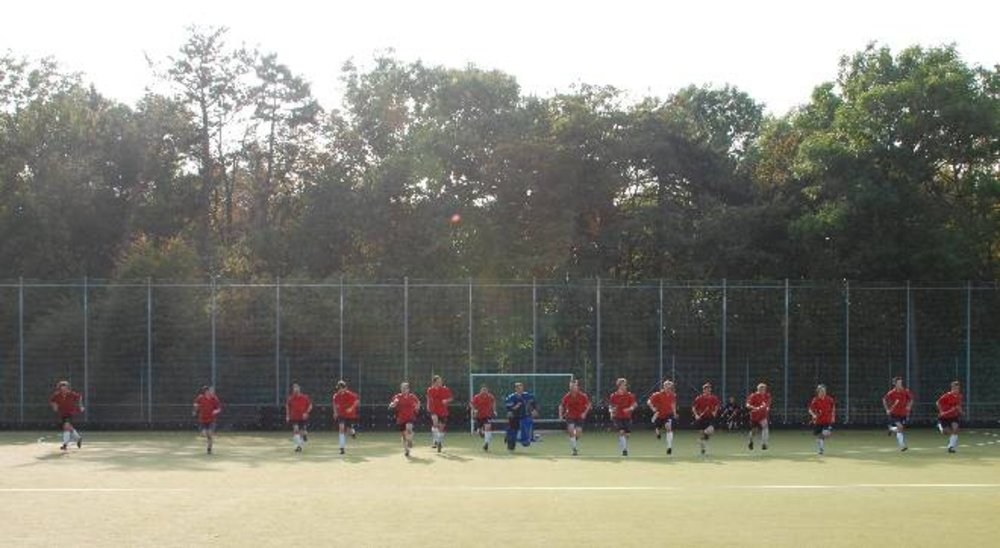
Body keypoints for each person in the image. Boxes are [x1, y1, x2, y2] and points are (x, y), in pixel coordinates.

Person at [558, 379, 591, 456]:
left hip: (579, 416)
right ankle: (574, 449)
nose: (572, 387)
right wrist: (560, 415)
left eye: (574, 386)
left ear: (577, 386)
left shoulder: (583, 396)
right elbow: (561, 406)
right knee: (571, 429)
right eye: (571, 386)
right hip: (570, 415)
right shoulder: (567, 396)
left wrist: (584, 413)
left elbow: (589, 405)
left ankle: (573, 441)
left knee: (578, 432)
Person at [48, 380, 84, 451]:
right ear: (60, 388)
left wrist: (81, 406)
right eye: (62, 388)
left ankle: (65, 445)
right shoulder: (56, 395)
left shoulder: (72, 394)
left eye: (65, 388)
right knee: (68, 428)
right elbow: (52, 401)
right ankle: (78, 438)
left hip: (71, 413)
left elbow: (80, 397)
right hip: (63, 413)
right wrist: (54, 406)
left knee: (66, 426)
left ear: (68, 388)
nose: (64, 390)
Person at [389, 382, 420, 457]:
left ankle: (410, 440)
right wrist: (392, 404)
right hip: (401, 418)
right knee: (404, 436)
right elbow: (394, 403)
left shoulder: (412, 396)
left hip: (410, 417)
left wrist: (417, 407)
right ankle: (406, 450)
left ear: (408, 389)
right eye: (402, 388)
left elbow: (418, 402)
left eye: (405, 388)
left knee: (409, 429)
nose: (403, 390)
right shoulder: (397, 397)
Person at [647, 380, 678, 455]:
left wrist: (674, 413)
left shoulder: (672, 395)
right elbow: (649, 402)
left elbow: (673, 404)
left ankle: (669, 447)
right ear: (664, 387)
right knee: (658, 428)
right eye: (666, 386)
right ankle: (658, 433)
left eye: (669, 386)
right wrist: (653, 408)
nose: (668, 388)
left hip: (668, 415)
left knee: (668, 428)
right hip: (659, 415)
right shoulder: (658, 394)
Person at [882, 376, 913, 452]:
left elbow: (911, 399)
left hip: (903, 414)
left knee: (900, 429)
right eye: (898, 383)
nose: (900, 384)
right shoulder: (891, 393)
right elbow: (884, 400)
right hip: (894, 414)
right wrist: (887, 409)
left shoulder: (906, 391)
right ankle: (902, 446)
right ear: (895, 384)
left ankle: (891, 429)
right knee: (900, 427)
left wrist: (909, 406)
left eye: (901, 382)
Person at [504, 382, 537, 451]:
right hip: (514, 416)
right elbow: (508, 407)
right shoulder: (511, 397)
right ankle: (510, 443)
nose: (520, 389)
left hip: (524, 415)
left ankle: (525, 441)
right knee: (513, 431)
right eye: (518, 388)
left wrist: (534, 410)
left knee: (526, 426)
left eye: (521, 388)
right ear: (515, 389)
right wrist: (514, 407)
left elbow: (534, 402)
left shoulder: (528, 395)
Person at [608, 378, 638, 456]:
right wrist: (611, 411)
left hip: (627, 417)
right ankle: (625, 450)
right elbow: (610, 406)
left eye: (625, 385)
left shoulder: (630, 395)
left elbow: (635, 405)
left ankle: (621, 441)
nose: (625, 386)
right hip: (617, 417)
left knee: (627, 435)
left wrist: (629, 409)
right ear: (619, 385)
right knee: (621, 432)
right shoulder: (613, 395)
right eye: (623, 385)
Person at [692, 382, 721, 457]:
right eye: (706, 388)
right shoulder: (699, 398)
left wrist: (715, 412)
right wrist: (696, 415)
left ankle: (701, 439)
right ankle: (703, 451)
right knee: (703, 436)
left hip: (710, 417)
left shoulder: (714, 398)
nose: (708, 390)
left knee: (710, 431)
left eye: (709, 388)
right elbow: (694, 407)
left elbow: (717, 405)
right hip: (701, 418)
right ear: (703, 390)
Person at [426, 375, 454, 452]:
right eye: (438, 381)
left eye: (441, 381)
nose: (440, 382)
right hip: (434, 409)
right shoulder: (430, 390)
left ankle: (439, 442)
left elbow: (451, 398)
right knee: (435, 423)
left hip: (443, 411)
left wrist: (446, 400)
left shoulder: (445, 389)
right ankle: (435, 440)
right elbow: (428, 398)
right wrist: (428, 405)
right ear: (434, 382)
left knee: (441, 428)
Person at [332, 380, 360, 455]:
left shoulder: (350, 394)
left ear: (345, 388)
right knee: (341, 428)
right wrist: (335, 412)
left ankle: (353, 433)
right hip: (341, 415)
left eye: (341, 388)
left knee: (349, 430)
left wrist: (351, 408)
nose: (339, 389)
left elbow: (357, 401)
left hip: (350, 415)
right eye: (338, 388)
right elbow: (334, 404)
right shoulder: (336, 396)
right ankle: (342, 448)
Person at [192, 385, 222, 454]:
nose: (207, 392)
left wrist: (216, 411)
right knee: (204, 434)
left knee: (209, 434)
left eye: (208, 390)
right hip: (202, 419)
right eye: (205, 390)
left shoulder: (214, 398)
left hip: (211, 420)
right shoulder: (200, 397)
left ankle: (209, 449)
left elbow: (219, 408)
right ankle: (208, 435)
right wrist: (195, 410)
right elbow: (196, 404)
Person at [285, 383, 313, 453]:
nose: (296, 390)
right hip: (294, 417)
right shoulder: (290, 398)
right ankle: (298, 447)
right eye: (294, 389)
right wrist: (287, 416)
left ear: (299, 389)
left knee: (303, 433)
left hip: (303, 418)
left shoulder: (305, 397)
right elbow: (287, 407)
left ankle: (304, 436)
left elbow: (310, 406)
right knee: (296, 430)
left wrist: (306, 412)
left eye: (297, 388)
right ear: (293, 390)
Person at [808, 384, 835, 455]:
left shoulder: (830, 399)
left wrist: (833, 417)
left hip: (827, 421)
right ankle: (821, 449)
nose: (823, 392)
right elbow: (810, 410)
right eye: (821, 391)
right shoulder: (815, 400)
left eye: (824, 391)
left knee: (825, 433)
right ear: (818, 391)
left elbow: (833, 408)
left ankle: (821, 444)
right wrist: (813, 415)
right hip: (818, 421)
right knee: (818, 437)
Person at [936, 380, 963, 454]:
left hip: (954, 416)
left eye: (958, 388)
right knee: (945, 432)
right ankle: (939, 425)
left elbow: (958, 405)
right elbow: (938, 402)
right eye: (955, 388)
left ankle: (951, 447)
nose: (957, 390)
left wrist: (961, 411)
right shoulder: (946, 396)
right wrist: (941, 411)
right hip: (944, 417)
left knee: (956, 429)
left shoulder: (959, 396)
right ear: (952, 388)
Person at [470, 384, 497, 451]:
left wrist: (494, 410)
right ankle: (480, 432)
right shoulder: (477, 397)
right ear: (480, 390)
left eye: (485, 390)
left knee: (488, 427)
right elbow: (471, 404)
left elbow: (494, 403)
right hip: (479, 416)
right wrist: (474, 410)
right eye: (483, 390)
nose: (484, 391)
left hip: (487, 415)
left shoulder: (490, 396)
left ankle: (486, 444)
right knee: (479, 430)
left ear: (487, 390)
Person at [746, 383, 771, 451]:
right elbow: (747, 405)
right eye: (761, 389)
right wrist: (754, 408)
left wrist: (767, 407)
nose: (763, 390)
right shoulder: (753, 396)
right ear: (758, 389)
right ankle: (751, 441)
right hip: (754, 416)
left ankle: (764, 444)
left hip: (763, 416)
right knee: (754, 431)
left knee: (765, 427)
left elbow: (767, 404)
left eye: (764, 389)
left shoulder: (767, 395)